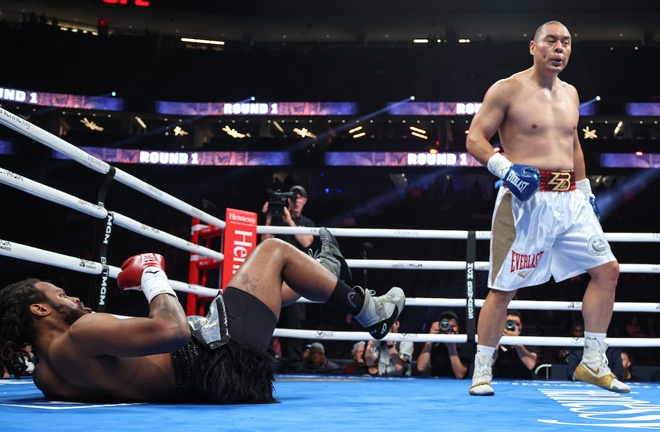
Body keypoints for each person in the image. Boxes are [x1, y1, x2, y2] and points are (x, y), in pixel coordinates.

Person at [0, 232, 405, 404]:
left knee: (257, 290)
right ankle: (371, 311)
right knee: (272, 252)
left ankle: (323, 270)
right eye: (61, 295)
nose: (74, 299)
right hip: (217, 361)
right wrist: (152, 277)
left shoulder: (45, 375)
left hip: (210, 381)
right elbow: (172, 330)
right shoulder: (82, 333)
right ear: (40, 309)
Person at [465, 20, 628, 396]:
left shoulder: (571, 93)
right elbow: (475, 139)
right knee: (503, 289)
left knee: (607, 270)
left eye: (566, 42)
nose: (559, 48)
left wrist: (585, 191)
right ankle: (481, 371)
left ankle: (592, 361)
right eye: (551, 41)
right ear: (533, 47)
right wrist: (505, 169)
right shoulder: (507, 89)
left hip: (570, 198)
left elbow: (573, 146)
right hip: (525, 200)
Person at [261, 185, 315, 373]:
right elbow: (264, 243)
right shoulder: (276, 221)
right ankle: (267, 363)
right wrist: (268, 218)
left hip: (297, 280)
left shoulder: (306, 222)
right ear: (288, 201)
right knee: (269, 320)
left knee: (294, 322)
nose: (296, 200)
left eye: (299, 197)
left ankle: (295, 365)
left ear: (305, 200)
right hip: (275, 277)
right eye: (293, 197)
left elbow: (307, 242)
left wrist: (289, 221)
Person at [416, 310, 473, 379]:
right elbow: (421, 368)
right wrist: (430, 339)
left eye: (452, 326)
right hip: (435, 383)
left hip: (458, 386)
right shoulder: (432, 343)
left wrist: (451, 348)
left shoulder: (465, 344)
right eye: (444, 325)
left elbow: (460, 375)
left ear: (458, 329)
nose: (448, 329)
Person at [492, 310, 537, 379]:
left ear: (520, 326)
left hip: (523, 381)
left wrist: (516, 341)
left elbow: (530, 365)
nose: (511, 326)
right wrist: (498, 339)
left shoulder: (527, 339)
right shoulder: (496, 338)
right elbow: (490, 363)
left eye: (516, 324)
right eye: (508, 322)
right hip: (499, 380)